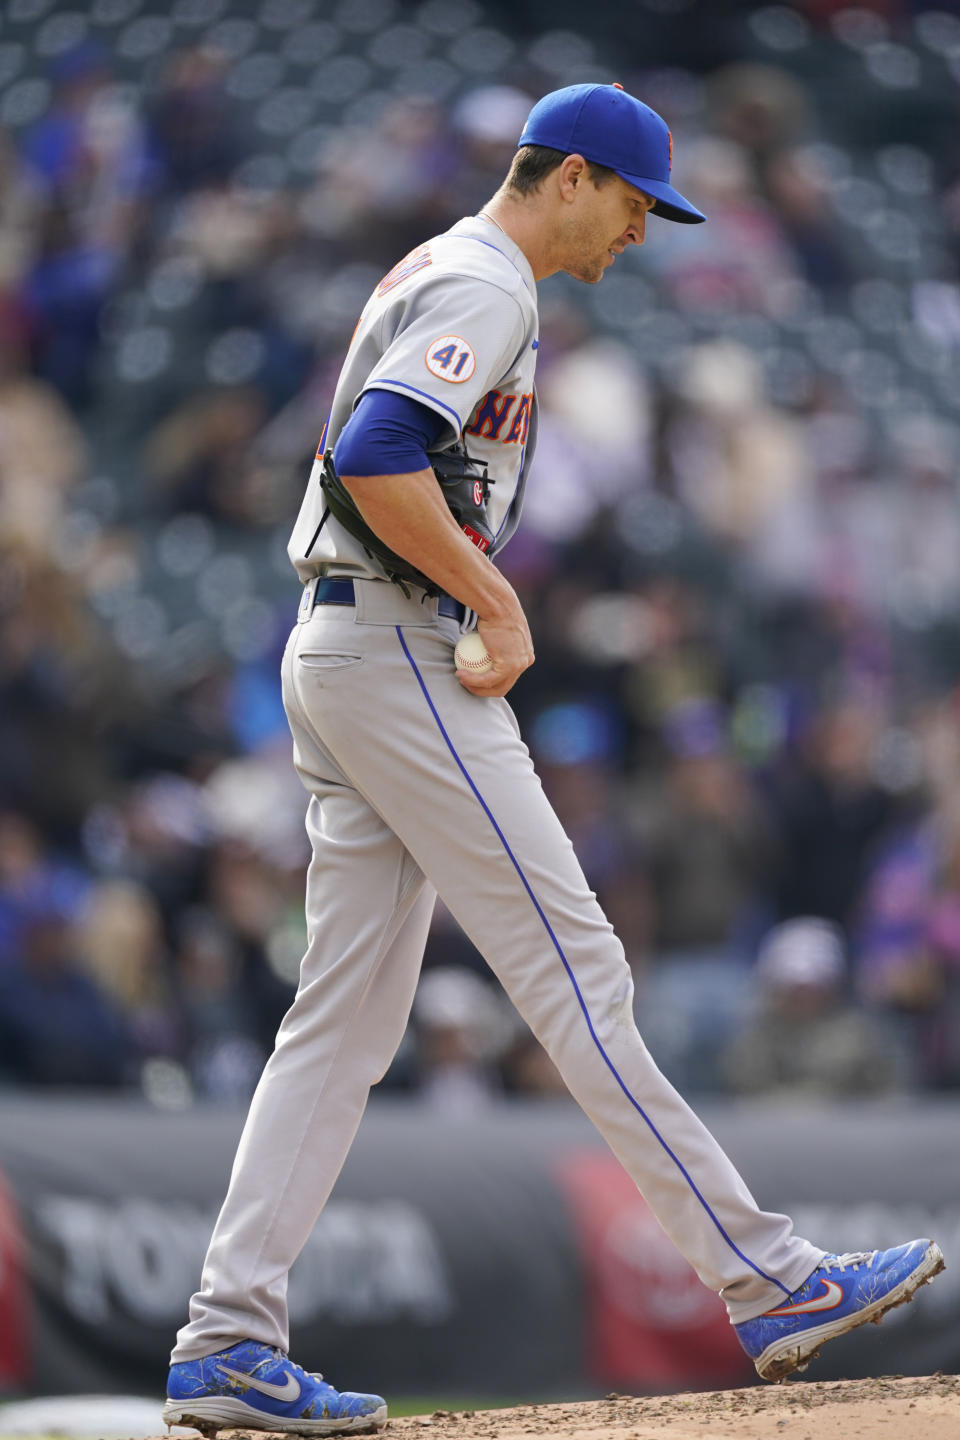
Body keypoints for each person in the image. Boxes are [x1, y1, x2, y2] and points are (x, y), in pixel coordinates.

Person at [163, 85, 944, 1436]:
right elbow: (374, 454)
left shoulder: (446, 268)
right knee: (575, 971)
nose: (643, 232)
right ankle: (769, 1278)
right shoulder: (491, 281)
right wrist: (499, 597)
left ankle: (228, 1336)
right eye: (636, 202)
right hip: (399, 650)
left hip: (346, 646)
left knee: (339, 1027)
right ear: (571, 177)